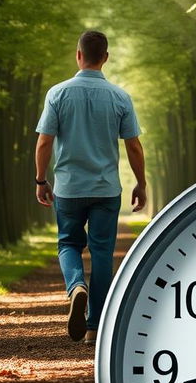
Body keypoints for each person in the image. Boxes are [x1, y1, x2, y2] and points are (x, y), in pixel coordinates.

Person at [34, 30, 147, 345]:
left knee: (68, 244)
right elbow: (134, 147)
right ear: (106, 58)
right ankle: (95, 327)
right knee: (101, 252)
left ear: (78, 55)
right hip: (106, 189)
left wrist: (41, 180)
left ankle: (75, 287)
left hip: (69, 188)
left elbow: (44, 141)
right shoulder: (120, 97)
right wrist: (141, 182)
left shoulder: (57, 94)